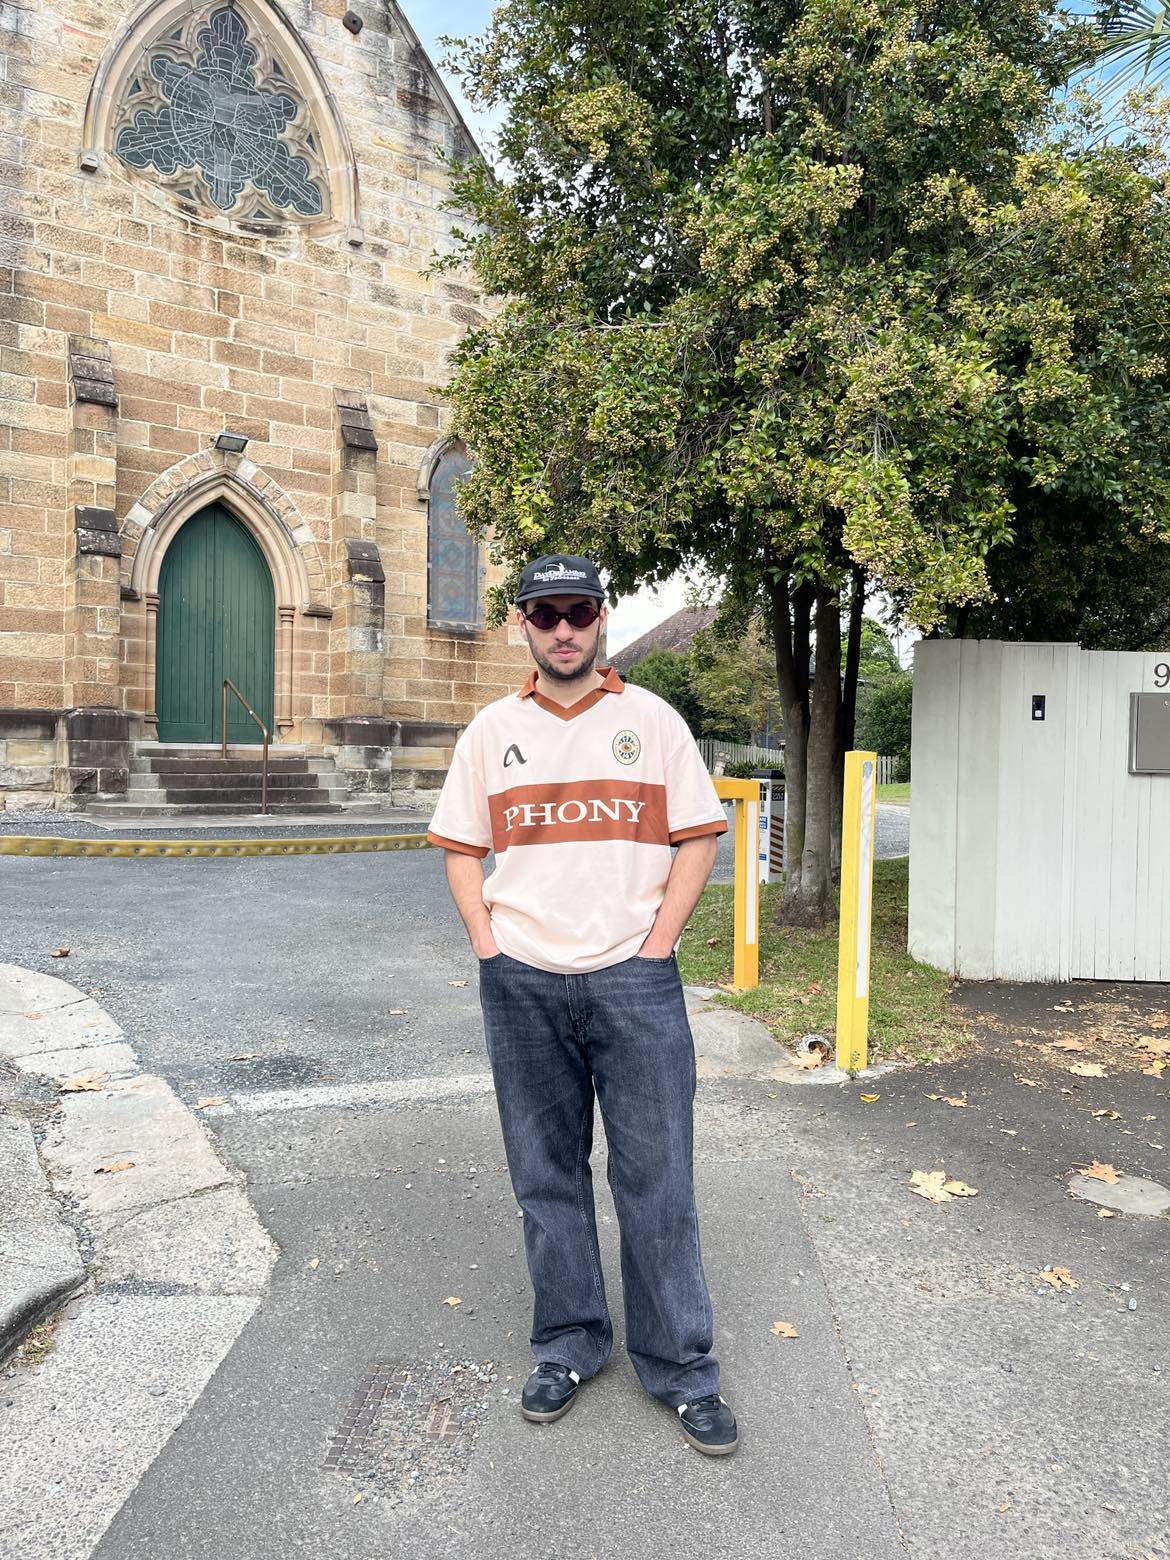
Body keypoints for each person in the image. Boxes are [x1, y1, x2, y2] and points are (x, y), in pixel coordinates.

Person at [427, 554, 737, 1456]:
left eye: (579, 612)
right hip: (522, 981)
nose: (564, 629)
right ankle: (568, 1342)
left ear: (602, 619)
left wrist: (658, 945)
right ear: (522, 623)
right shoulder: (491, 731)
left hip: (633, 982)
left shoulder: (652, 721)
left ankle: (681, 1368)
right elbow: (459, 849)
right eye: (545, 613)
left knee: (657, 1180)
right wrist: (490, 946)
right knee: (545, 1178)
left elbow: (697, 838)